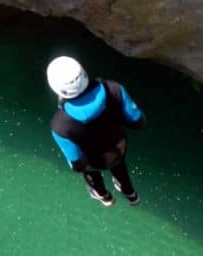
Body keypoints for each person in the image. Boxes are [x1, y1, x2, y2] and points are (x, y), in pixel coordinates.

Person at [46, 55, 146, 207]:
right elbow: (137, 122)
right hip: (118, 148)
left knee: (89, 170)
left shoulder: (60, 125)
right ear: (83, 73)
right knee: (118, 164)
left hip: (94, 162)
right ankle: (131, 194)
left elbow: (77, 164)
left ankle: (104, 197)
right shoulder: (113, 89)